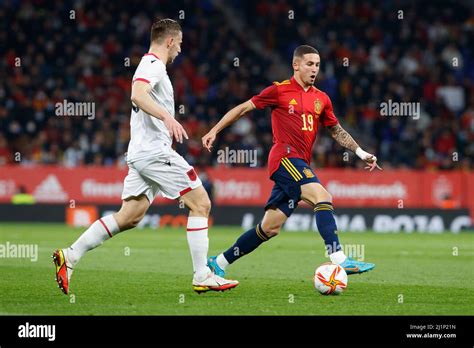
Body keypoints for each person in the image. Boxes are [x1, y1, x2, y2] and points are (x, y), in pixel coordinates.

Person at [52, 19, 238, 295]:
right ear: (170, 41)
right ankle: (202, 274)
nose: (180, 51)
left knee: (130, 216)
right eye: (180, 44)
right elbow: (137, 94)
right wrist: (167, 117)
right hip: (152, 153)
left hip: (142, 153)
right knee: (201, 203)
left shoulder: (152, 66)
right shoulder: (153, 65)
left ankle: (70, 255)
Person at [202, 45, 380, 280]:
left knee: (269, 228)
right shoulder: (279, 91)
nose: (314, 69)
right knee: (322, 196)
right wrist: (214, 130)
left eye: (317, 64)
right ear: (296, 65)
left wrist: (359, 151)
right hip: (284, 157)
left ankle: (219, 262)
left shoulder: (321, 99)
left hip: (299, 163)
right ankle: (339, 258)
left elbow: (335, 130)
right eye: (309, 64)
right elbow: (244, 108)